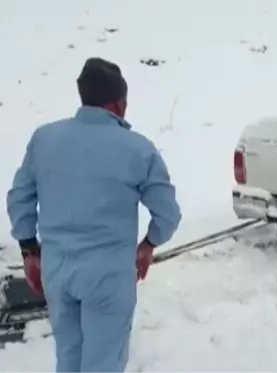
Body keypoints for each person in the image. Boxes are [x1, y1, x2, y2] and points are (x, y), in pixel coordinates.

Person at [6, 57, 182, 373]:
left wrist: (30, 250)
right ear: (118, 103)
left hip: (57, 272)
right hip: (108, 276)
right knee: (103, 363)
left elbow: (20, 197)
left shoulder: (45, 139)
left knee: (69, 359)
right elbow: (167, 213)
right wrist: (148, 244)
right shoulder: (137, 149)